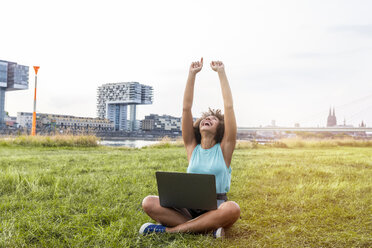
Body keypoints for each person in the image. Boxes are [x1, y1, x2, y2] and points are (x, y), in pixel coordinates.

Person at [139, 58, 240, 238]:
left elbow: (229, 107)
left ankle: (171, 230)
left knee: (232, 208)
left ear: (220, 129)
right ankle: (207, 231)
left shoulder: (224, 149)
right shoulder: (192, 147)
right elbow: (186, 109)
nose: (207, 119)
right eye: (205, 118)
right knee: (149, 202)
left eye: (213, 119)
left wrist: (221, 73)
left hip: (215, 209)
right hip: (187, 209)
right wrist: (192, 74)